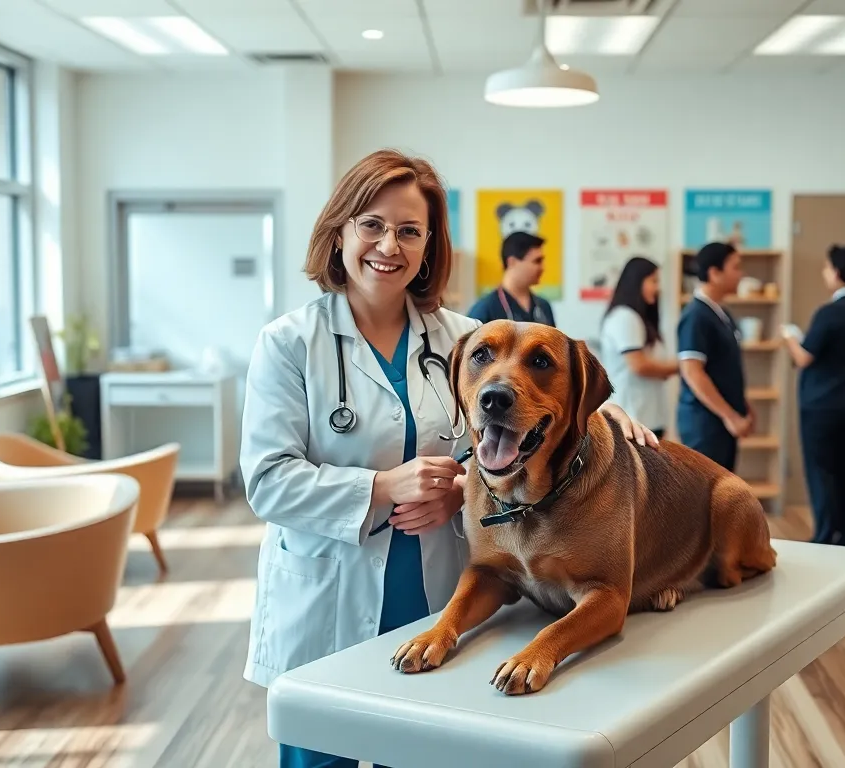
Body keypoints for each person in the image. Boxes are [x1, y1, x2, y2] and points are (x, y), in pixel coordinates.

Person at [240, 149, 659, 768]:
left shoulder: (466, 338)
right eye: (372, 224)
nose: (390, 244)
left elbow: (537, 405)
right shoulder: (288, 343)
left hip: (438, 591)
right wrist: (384, 487)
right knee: (320, 757)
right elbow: (267, 482)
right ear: (340, 229)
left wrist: (605, 418)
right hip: (328, 598)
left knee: (420, 754)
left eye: (410, 230)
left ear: (430, 244)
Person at [781, 244, 845, 548]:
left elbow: (804, 358)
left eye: (826, 268)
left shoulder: (830, 312)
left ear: (836, 272)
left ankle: (824, 538)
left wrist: (790, 337)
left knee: (820, 471)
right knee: (842, 469)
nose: (825, 273)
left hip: (821, 406)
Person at [676, 242, 753, 471]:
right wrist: (730, 416)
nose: (742, 274)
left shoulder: (721, 313)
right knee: (706, 499)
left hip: (721, 422)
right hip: (705, 425)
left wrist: (743, 405)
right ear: (714, 273)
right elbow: (692, 372)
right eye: (736, 267)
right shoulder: (696, 316)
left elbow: (725, 367)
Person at [599, 256, 678, 440]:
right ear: (636, 282)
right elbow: (639, 365)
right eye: (653, 281)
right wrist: (681, 366)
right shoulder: (625, 317)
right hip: (632, 417)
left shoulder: (640, 319)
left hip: (649, 417)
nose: (657, 288)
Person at [467, 231, 556, 326]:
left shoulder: (544, 307)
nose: (542, 268)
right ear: (512, 262)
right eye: (537, 261)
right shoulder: (484, 310)